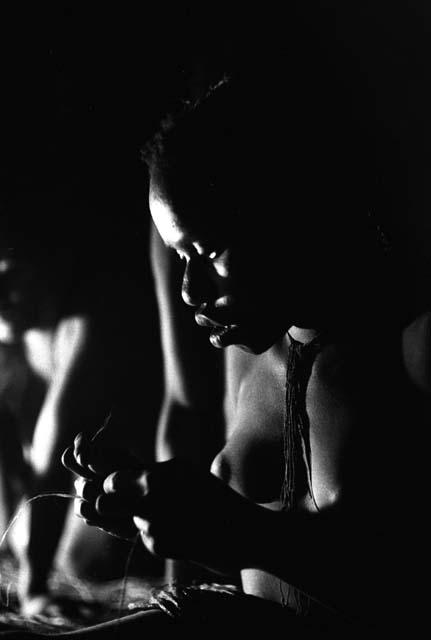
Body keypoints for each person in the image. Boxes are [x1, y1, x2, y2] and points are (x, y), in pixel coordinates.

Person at [1, 7, 429, 636]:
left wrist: (238, 531)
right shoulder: (247, 354)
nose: (189, 290)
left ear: (284, 213)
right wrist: (160, 511)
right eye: (178, 257)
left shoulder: (410, 346)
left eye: (209, 252)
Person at [0, 193, 160, 621]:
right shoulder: (19, 325)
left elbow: (56, 449)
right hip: (52, 503)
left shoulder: (89, 319)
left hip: (126, 496)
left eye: (8, 277)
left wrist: (33, 590)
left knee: (83, 557)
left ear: (46, 260)